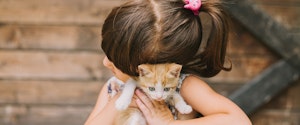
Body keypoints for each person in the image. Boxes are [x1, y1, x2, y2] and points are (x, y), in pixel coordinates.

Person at [85, 0, 252, 124]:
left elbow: (239, 121)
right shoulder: (113, 87)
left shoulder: (183, 85)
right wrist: (120, 98)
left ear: (146, 67)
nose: (105, 62)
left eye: (115, 59)